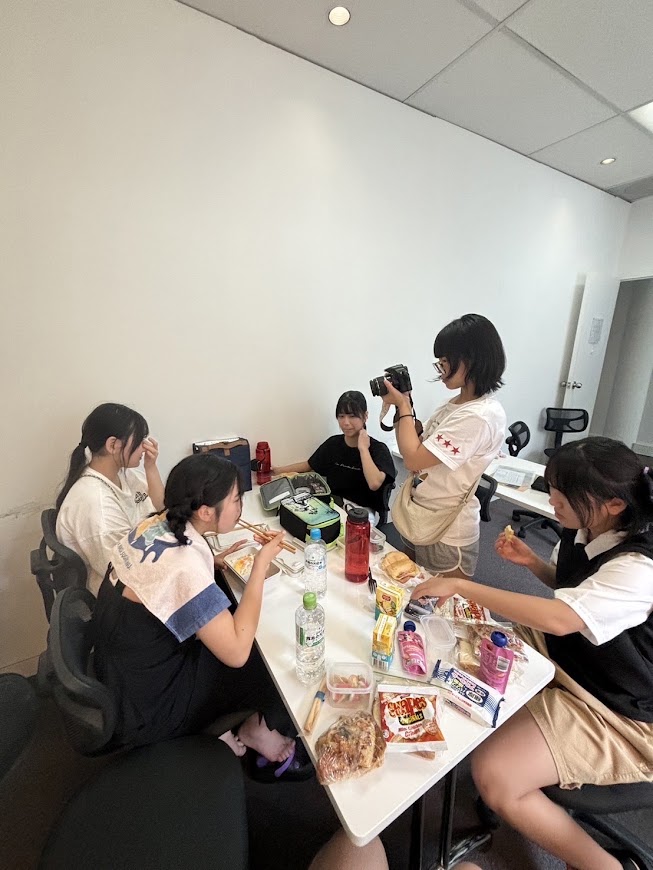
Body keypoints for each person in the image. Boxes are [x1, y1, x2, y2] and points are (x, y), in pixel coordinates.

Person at [411, 437, 653, 870]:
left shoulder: (639, 567)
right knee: (465, 646)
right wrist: (534, 564)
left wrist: (462, 584)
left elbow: (563, 617)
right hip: (574, 659)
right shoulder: (584, 525)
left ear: (614, 504)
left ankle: (603, 865)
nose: (551, 501)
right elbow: (576, 592)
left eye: (563, 495)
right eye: (553, 489)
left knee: (494, 774)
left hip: (619, 707)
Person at [92, 452, 298, 767]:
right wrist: (260, 566)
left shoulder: (156, 522)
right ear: (205, 511)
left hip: (121, 665)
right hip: (149, 705)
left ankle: (229, 726)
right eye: (236, 499)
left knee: (230, 612)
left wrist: (210, 561)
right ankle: (254, 728)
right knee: (261, 652)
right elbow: (237, 652)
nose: (241, 506)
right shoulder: (185, 566)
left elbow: (159, 571)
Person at [381, 313, 506, 577]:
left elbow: (413, 458)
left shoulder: (480, 415)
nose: (440, 370)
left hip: (448, 530)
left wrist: (403, 406)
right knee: (409, 587)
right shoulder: (453, 405)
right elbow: (415, 447)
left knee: (442, 601)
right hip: (420, 514)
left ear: (471, 360)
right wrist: (405, 405)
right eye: (439, 362)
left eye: (445, 362)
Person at [55, 402, 165, 595]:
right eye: (139, 440)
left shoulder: (125, 475)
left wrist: (151, 467)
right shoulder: (94, 503)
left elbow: (162, 509)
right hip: (122, 595)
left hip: (146, 566)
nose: (145, 447)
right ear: (113, 445)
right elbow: (127, 572)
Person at [273, 390, 396, 520]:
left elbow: (374, 483)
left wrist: (363, 449)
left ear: (365, 416)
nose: (346, 422)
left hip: (362, 514)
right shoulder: (333, 444)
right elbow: (308, 465)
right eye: (341, 416)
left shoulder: (378, 449)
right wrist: (277, 471)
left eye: (352, 416)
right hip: (332, 506)